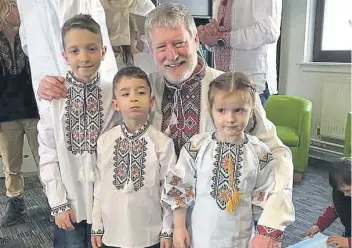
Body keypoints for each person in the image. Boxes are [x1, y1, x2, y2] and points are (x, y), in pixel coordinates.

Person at [36, 4, 295, 246]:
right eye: (161, 47)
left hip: (218, 227)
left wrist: (270, 226)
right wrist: (55, 85)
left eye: (179, 43)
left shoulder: (229, 91)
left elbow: (277, 154)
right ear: (150, 50)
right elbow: (100, 95)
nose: (172, 55)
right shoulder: (143, 90)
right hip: (158, 227)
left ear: (195, 40)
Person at [162, 71, 285, 248]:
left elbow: (266, 198)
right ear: (211, 111)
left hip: (240, 239)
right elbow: (180, 186)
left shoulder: (260, 153)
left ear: (251, 111)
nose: (230, 119)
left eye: (239, 110)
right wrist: (180, 227)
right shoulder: (196, 147)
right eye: (221, 110)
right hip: (201, 238)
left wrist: (266, 235)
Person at [37, 14, 119, 247]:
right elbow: (48, 153)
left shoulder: (113, 93)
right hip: (69, 205)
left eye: (91, 48)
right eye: (74, 51)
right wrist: (58, 203)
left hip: (104, 205)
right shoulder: (54, 97)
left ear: (103, 52)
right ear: (64, 56)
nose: (83, 57)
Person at [91, 67, 174, 248]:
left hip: (149, 235)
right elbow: (100, 185)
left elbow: (169, 189)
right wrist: (97, 225)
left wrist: (167, 230)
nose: (134, 98)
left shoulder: (162, 144)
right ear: (116, 104)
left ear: (151, 101)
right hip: (113, 233)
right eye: (125, 93)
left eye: (141, 92)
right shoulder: (105, 142)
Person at [0, 0, 40, 227]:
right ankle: (15, 202)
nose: (19, 9)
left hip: (33, 108)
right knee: (11, 165)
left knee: (45, 159)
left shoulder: (31, 34)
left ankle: (56, 204)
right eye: (14, 6)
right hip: (5, 113)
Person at [197, 0, 282, 105]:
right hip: (223, 85)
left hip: (252, 85)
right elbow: (220, 42)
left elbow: (269, 31)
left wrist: (221, 38)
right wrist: (208, 38)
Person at [304, 157, 351, 248]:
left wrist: (348, 242)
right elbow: (335, 208)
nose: (345, 194)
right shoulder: (342, 194)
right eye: (342, 191)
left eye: (348, 190)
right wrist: (318, 226)